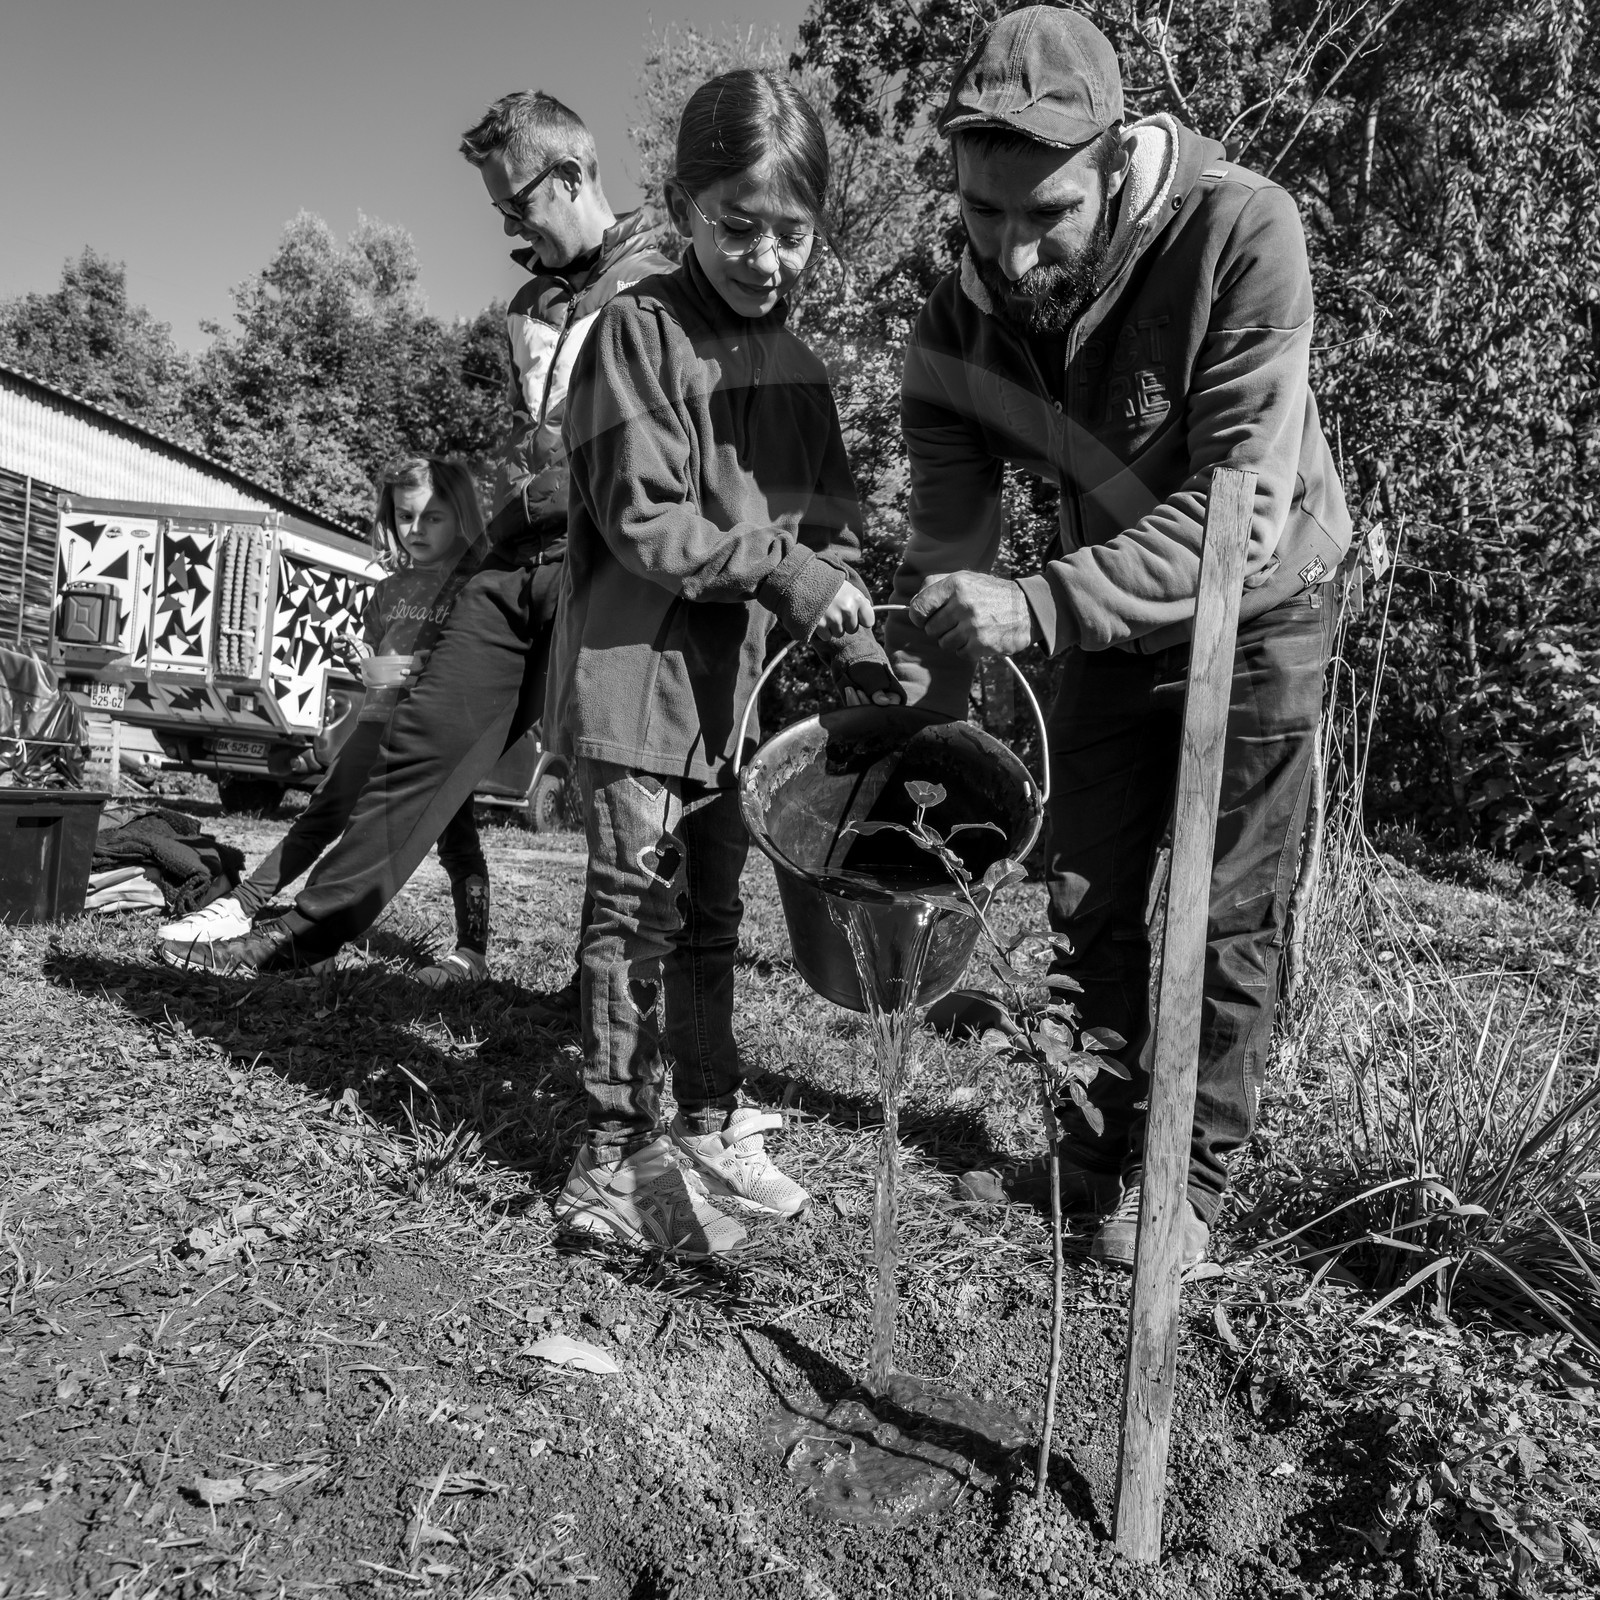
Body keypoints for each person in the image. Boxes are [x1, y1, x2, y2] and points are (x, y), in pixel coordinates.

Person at [887, 8, 1352, 1267]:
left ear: (1112, 163)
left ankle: (1182, 1184)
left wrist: (1036, 607)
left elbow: (1231, 518)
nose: (1012, 250)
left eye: (1046, 216)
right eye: (984, 215)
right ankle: (1089, 1153)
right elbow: (950, 543)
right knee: (1083, 881)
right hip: (1103, 609)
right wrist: (924, 702)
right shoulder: (955, 327)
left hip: (1260, 603)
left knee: (1226, 902)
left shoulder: (1240, 231)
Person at [160, 92, 671, 984]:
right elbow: (536, 430)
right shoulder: (527, 302)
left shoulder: (666, 283)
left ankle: (601, 993)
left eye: (521, 203)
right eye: (499, 210)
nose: (512, 223)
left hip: (614, 561)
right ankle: (303, 937)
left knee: (612, 783)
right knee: (419, 741)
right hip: (517, 559)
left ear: (578, 172)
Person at [549, 68, 901, 1258]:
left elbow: (835, 526)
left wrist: (844, 618)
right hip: (636, 677)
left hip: (728, 699)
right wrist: (785, 572)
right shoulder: (636, 336)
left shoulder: (798, 369)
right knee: (631, 914)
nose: (764, 257)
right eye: (735, 226)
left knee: (708, 914)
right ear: (681, 207)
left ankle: (701, 1121)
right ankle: (609, 1155)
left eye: (791, 233)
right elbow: (644, 517)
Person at [160, 458, 492, 984]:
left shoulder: (472, 588)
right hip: (377, 723)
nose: (417, 530)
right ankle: (242, 906)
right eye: (405, 518)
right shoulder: (388, 590)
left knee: (458, 841)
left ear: (461, 517)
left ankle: (471, 952)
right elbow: (385, 670)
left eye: (433, 517)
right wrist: (367, 658)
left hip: (437, 738)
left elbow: (457, 665)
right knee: (322, 815)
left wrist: (398, 668)